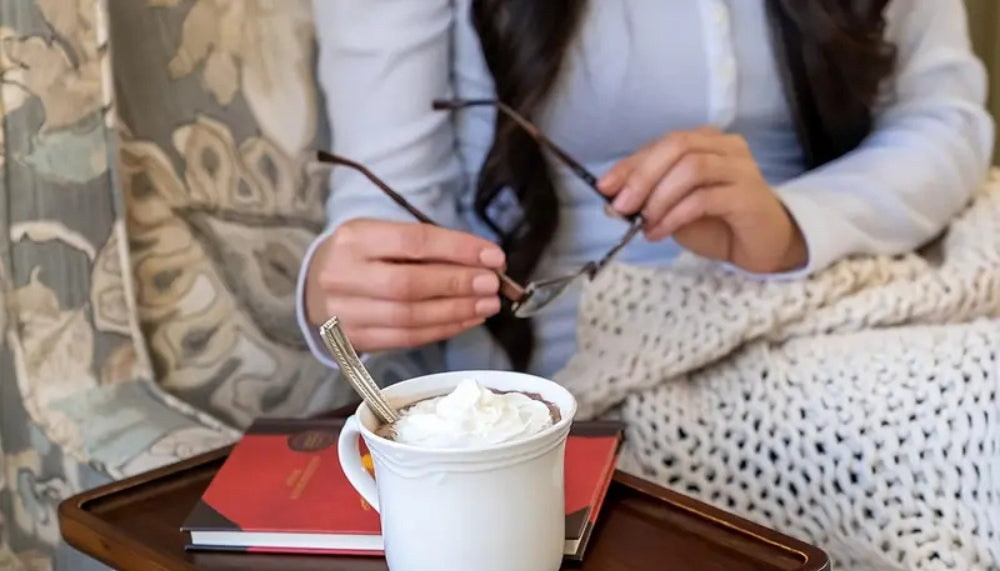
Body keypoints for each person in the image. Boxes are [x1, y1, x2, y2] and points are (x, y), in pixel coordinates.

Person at [298, 0, 994, 377]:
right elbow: (383, 211)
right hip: (587, 377)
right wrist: (336, 295)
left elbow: (944, 119)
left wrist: (791, 225)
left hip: (851, 301)